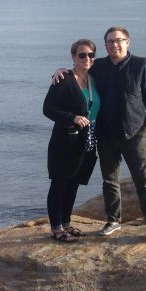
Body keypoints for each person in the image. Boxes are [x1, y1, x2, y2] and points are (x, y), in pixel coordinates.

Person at [53, 26, 146, 242]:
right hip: (106, 134)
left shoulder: (140, 64)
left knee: (143, 181)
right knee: (110, 181)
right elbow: (78, 70)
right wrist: (60, 71)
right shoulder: (99, 66)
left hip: (134, 133)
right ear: (105, 45)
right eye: (109, 41)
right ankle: (113, 220)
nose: (114, 44)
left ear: (128, 42)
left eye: (118, 40)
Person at [43, 39, 100, 242]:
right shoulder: (65, 79)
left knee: (74, 183)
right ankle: (56, 228)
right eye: (82, 55)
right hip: (65, 141)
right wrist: (72, 117)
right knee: (59, 183)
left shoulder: (94, 77)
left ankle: (66, 223)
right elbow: (48, 109)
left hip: (86, 141)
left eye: (91, 55)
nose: (87, 59)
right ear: (73, 57)